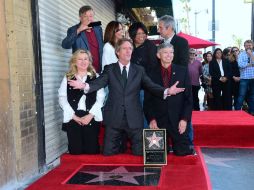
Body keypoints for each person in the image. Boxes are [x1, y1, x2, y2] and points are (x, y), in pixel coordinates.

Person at [68, 38, 185, 156]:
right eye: (124, 48)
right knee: (107, 154)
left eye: (130, 48)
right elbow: (99, 82)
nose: (128, 51)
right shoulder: (110, 69)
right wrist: (84, 85)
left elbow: (151, 86)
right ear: (117, 52)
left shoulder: (139, 70)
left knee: (139, 154)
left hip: (134, 118)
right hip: (114, 117)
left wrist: (167, 91)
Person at [144, 43, 195, 156]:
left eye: (171, 52)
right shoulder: (150, 73)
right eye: (166, 52)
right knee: (156, 155)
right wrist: (151, 119)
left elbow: (188, 99)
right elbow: (147, 101)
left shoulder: (183, 71)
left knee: (182, 153)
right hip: (158, 121)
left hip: (178, 121)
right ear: (158, 55)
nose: (169, 55)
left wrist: (184, 119)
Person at [58, 49, 105, 155]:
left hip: (91, 116)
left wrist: (90, 116)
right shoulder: (68, 77)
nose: (83, 62)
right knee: (75, 151)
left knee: (92, 151)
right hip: (73, 117)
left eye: (85, 59)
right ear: (74, 61)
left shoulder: (96, 77)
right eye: (80, 59)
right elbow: (62, 98)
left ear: (89, 61)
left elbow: (101, 98)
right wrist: (74, 117)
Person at [62, 5, 103, 73]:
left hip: (99, 71)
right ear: (80, 18)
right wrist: (79, 30)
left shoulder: (98, 28)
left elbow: (101, 48)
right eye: (85, 16)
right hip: (82, 71)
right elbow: (65, 45)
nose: (89, 19)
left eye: (91, 16)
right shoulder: (73, 29)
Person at [235, 40, 254, 115]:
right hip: (244, 78)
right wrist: (250, 64)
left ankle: (252, 111)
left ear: (252, 46)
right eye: (247, 45)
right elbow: (240, 65)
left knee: (252, 96)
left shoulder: (253, 54)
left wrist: (251, 55)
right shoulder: (241, 55)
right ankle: (237, 111)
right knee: (241, 95)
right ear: (244, 46)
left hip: (253, 78)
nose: (248, 46)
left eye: (250, 45)